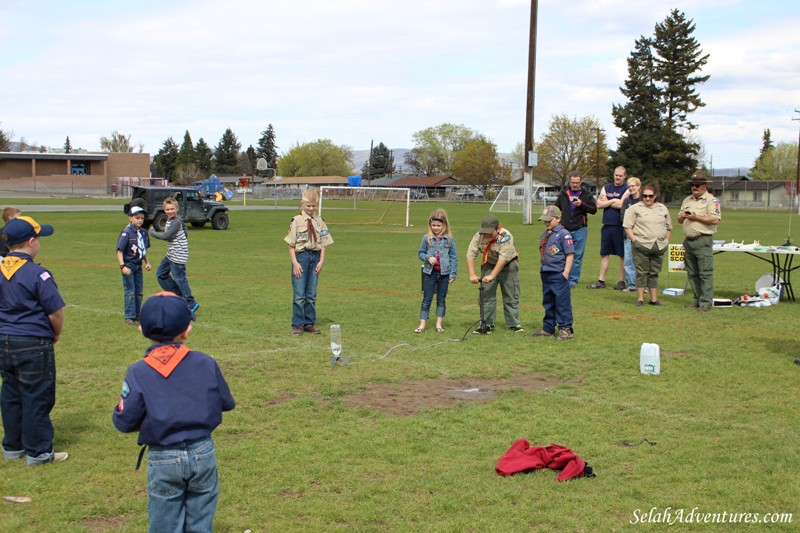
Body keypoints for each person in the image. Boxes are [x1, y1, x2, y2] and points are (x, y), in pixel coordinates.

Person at [113, 292, 236, 532]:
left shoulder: (138, 372)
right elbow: (225, 402)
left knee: (165, 523)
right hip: (203, 452)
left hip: (164, 457)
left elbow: (125, 420)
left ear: (142, 330)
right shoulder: (205, 362)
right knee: (200, 521)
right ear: (187, 330)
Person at [0, 216, 67, 465]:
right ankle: (39, 451)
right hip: (32, 341)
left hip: (3, 340)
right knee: (37, 395)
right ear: (31, 242)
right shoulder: (38, 274)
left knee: (10, 393)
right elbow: (55, 312)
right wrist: (55, 334)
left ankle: (13, 446)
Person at [285, 188, 334, 336]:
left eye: (313, 206)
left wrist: (321, 261)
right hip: (301, 258)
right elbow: (291, 245)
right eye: (308, 206)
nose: (311, 208)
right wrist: (295, 263)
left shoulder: (320, 221)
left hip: (315, 259)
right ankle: (298, 325)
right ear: (302, 204)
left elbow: (324, 243)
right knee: (299, 295)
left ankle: (309, 323)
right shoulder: (296, 221)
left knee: (311, 295)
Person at [465, 215, 523, 333]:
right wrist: (472, 274)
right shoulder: (478, 236)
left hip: (508, 265)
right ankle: (487, 324)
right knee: (486, 295)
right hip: (489, 263)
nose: (486, 235)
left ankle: (513, 324)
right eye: (484, 232)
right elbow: (470, 254)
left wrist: (492, 275)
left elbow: (503, 259)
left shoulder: (506, 236)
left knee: (511, 294)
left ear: (497, 229)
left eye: (489, 233)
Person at [623, 182, 672, 307]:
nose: (647, 198)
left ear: (655, 196)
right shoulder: (634, 209)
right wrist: (635, 241)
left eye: (650, 196)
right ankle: (640, 299)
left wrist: (666, 242)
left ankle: (654, 299)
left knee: (654, 273)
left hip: (659, 246)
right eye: (645, 196)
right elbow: (627, 226)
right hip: (642, 245)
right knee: (641, 272)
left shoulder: (662, 208)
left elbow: (668, 227)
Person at [678, 171, 721, 312]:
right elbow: (679, 220)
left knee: (705, 273)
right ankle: (696, 299)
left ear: (704, 186)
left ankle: (705, 302)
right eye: (692, 185)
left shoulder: (711, 200)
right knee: (692, 273)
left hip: (702, 240)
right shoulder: (687, 200)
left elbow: (715, 219)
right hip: (688, 241)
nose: (694, 188)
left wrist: (696, 217)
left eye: (697, 185)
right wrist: (683, 216)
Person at [149, 197, 199, 315]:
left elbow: (166, 236)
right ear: (164, 210)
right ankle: (179, 298)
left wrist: (152, 233)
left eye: (172, 209)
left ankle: (191, 303)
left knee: (180, 279)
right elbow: (185, 231)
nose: (170, 211)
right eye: (167, 209)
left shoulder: (176, 221)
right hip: (170, 254)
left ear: (177, 208)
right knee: (161, 275)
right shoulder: (171, 220)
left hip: (178, 256)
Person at [532, 206, 575, 341]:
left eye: (549, 220)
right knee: (548, 301)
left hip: (558, 274)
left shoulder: (564, 234)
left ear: (558, 218)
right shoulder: (545, 234)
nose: (547, 223)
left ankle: (565, 329)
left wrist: (566, 272)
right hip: (546, 273)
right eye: (545, 221)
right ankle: (548, 327)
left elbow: (570, 254)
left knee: (562, 303)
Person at [416, 208, 458, 333]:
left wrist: (453, 273)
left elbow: (453, 257)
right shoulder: (426, 238)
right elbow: (420, 253)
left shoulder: (449, 240)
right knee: (427, 298)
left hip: (444, 274)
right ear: (430, 225)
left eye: (438, 225)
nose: (436, 228)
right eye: (433, 225)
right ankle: (422, 324)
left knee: (441, 298)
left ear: (444, 225)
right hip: (429, 273)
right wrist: (428, 258)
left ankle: (439, 324)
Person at [587, 166, 628, 290]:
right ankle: (601, 280)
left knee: (622, 255)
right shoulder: (606, 187)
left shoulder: (627, 188)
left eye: (620, 175)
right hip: (607, 225)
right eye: (616, 175)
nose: (618, 177)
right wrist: (614, 200)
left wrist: (608, 201)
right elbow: (599, 204)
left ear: (624, 176)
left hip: (620, 226)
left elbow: (622, 204)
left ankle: (622, 281)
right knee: (604, 253)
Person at [554, 172, 597, 288]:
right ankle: (562, 277)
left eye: (577, 183)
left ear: (580, 182)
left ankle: (573, 280)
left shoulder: (586, 194)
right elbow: (556, 209)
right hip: (564, 229)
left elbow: (594, 210)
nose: (574, 185)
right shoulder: (563, 194)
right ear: (569, 181)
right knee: (562, 254)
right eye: (573, 182)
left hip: (580, 229)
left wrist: (582, 204)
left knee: (577, 256)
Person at [117, 206, 151, 325]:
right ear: (130, 218)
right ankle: (130, 317)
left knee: (139, 291)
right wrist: (122, 266)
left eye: (142, 218)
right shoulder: (126, 233)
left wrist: (147, 262)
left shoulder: (143, 233)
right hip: (128, 265)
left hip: (138, 265)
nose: (140, 220)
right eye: (137, 218)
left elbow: (143, 250)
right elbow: (119, 251)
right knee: (130, 291)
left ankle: (137, 315)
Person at [619, 177, 642, 292]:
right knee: (628, 261)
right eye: (629, 186)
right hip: (628, 235)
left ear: (638, 186)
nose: (631, 188)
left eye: (633, 186)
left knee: (642, 261)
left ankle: (644, 286)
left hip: (643, 235)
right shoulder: (626, 201)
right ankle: (632, 285)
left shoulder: (645, 200)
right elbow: (623, 217)